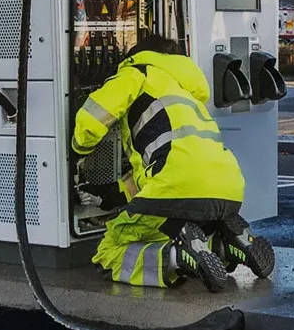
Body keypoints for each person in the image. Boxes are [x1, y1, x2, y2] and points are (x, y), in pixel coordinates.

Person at [72, 31, 275, 292]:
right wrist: (111, 194)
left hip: (176, 188)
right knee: (174, 221)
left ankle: (175, 257)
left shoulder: (136, 73)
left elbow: (91, 119)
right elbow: (159, 166)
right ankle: (223, 245)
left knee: (110, 252)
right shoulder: (186, 92)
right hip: (228, 188)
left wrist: (77, 150)